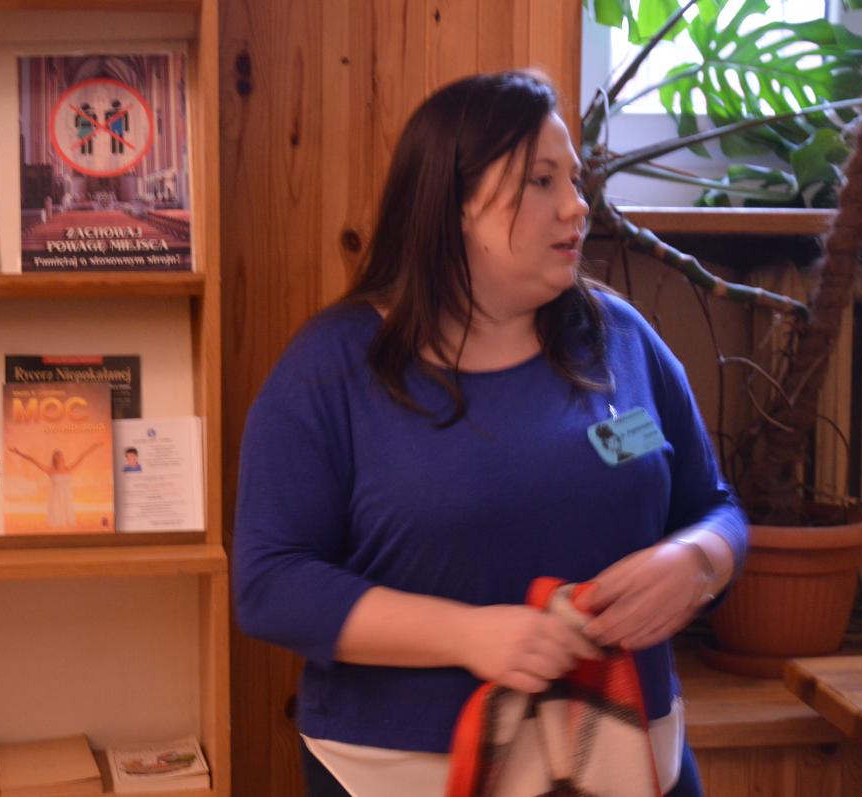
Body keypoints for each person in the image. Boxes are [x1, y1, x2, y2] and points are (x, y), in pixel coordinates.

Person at [233, 70, 747, 797]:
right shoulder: (333, 365)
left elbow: (718, 507)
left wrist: (699, 561)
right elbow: (270, 584)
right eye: (541, 181)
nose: (576, 206)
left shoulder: (622, 337)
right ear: (452, 207)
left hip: (631, 758)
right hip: (402, 773)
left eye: (574, 179)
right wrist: (470, 635)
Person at [9, 443, 102, 528]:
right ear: (54, 460)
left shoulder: (69, 469)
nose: (59, 460)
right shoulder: (50, 471)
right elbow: (33, 461)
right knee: (57, 520)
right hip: (55, 498)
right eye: (56, 458)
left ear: (62, 459)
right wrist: (18, 452)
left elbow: (82, 456)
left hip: (66, 497)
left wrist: (95, 446)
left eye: (60, 457)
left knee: (68, 518)